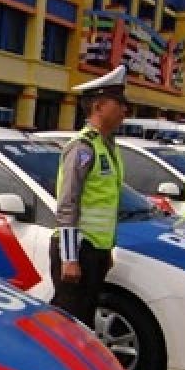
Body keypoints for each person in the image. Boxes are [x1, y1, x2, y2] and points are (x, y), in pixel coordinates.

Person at [51, 65, 128, 327]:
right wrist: (69, 257)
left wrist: (107, 250)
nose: (124, 111)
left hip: (96, 251)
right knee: (68, 325)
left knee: (85, 320)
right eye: (119, 103)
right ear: (98, 106)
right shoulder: (82, 147)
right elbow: (68, 203)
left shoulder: (108, 147)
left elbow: (107, 203)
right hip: (78, 251)